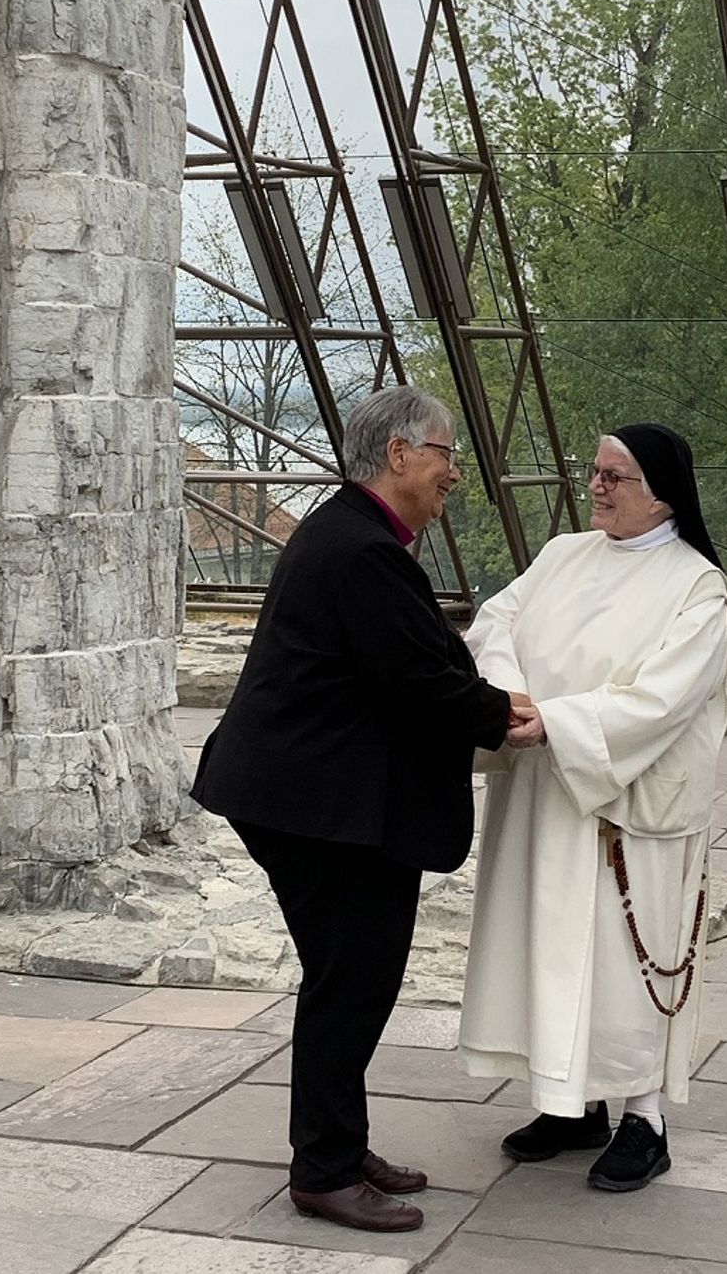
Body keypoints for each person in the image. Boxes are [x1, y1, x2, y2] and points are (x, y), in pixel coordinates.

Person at [191, 386, 540, 1233]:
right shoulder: (362, 550)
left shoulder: (348, 532)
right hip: (313, 805)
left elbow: (404, 662)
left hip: (302, 794)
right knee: (353, 980)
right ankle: (324, 1170)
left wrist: (482, 704)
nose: (453, 472)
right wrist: (501, 715)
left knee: (349, 976)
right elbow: (422, 676)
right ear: (398, 454)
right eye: (446, 453)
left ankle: (339, 1146)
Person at [459, 423, 727, 1193]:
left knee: (626, 963)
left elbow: (662, 700)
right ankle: (570, 1103)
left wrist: (556, 721)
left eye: (617, 477)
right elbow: (496, 622)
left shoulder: (697, 587)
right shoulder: (562, 554)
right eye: (596, 472)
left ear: (664, 493)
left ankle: (646, 1119)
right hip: (544, 793)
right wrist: (513, 696)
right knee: (541, 947)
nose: (598, 487)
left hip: (625, 805)